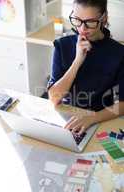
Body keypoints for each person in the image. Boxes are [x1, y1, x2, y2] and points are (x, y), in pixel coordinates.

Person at [47, 0, 124, 134]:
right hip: (68, 118)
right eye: (77, 20)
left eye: (90, 22)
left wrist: (92, 118)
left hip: (102, 119)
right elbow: (54, 98)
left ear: (104, 18)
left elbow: (122, 104)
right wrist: (77, 62)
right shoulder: (61, 46)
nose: (82, 29)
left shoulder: (119, 53)